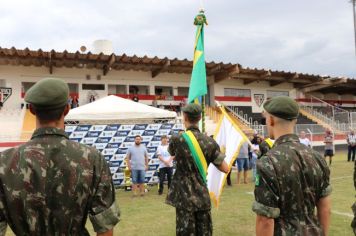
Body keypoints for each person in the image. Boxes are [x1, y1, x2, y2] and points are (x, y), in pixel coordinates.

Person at [0, 78, 120, 235]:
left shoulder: (4, 162)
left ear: (32, 110)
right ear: (67, 109)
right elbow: (105, 227)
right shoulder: (92, 159)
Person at [252, 96, 331, 236]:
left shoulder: (268, 162)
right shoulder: (318, 157)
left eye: (266, 119)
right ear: (294, 120)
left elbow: (265, 220)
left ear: (270, 120)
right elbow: (325, 208)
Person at [166, 103, 229, 236]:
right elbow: (225, 168)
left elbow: (171, 151)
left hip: (183, 197)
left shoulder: (177, 139)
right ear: (200, 118)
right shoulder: (209, 142)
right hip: (202, 195)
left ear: (185, 117)